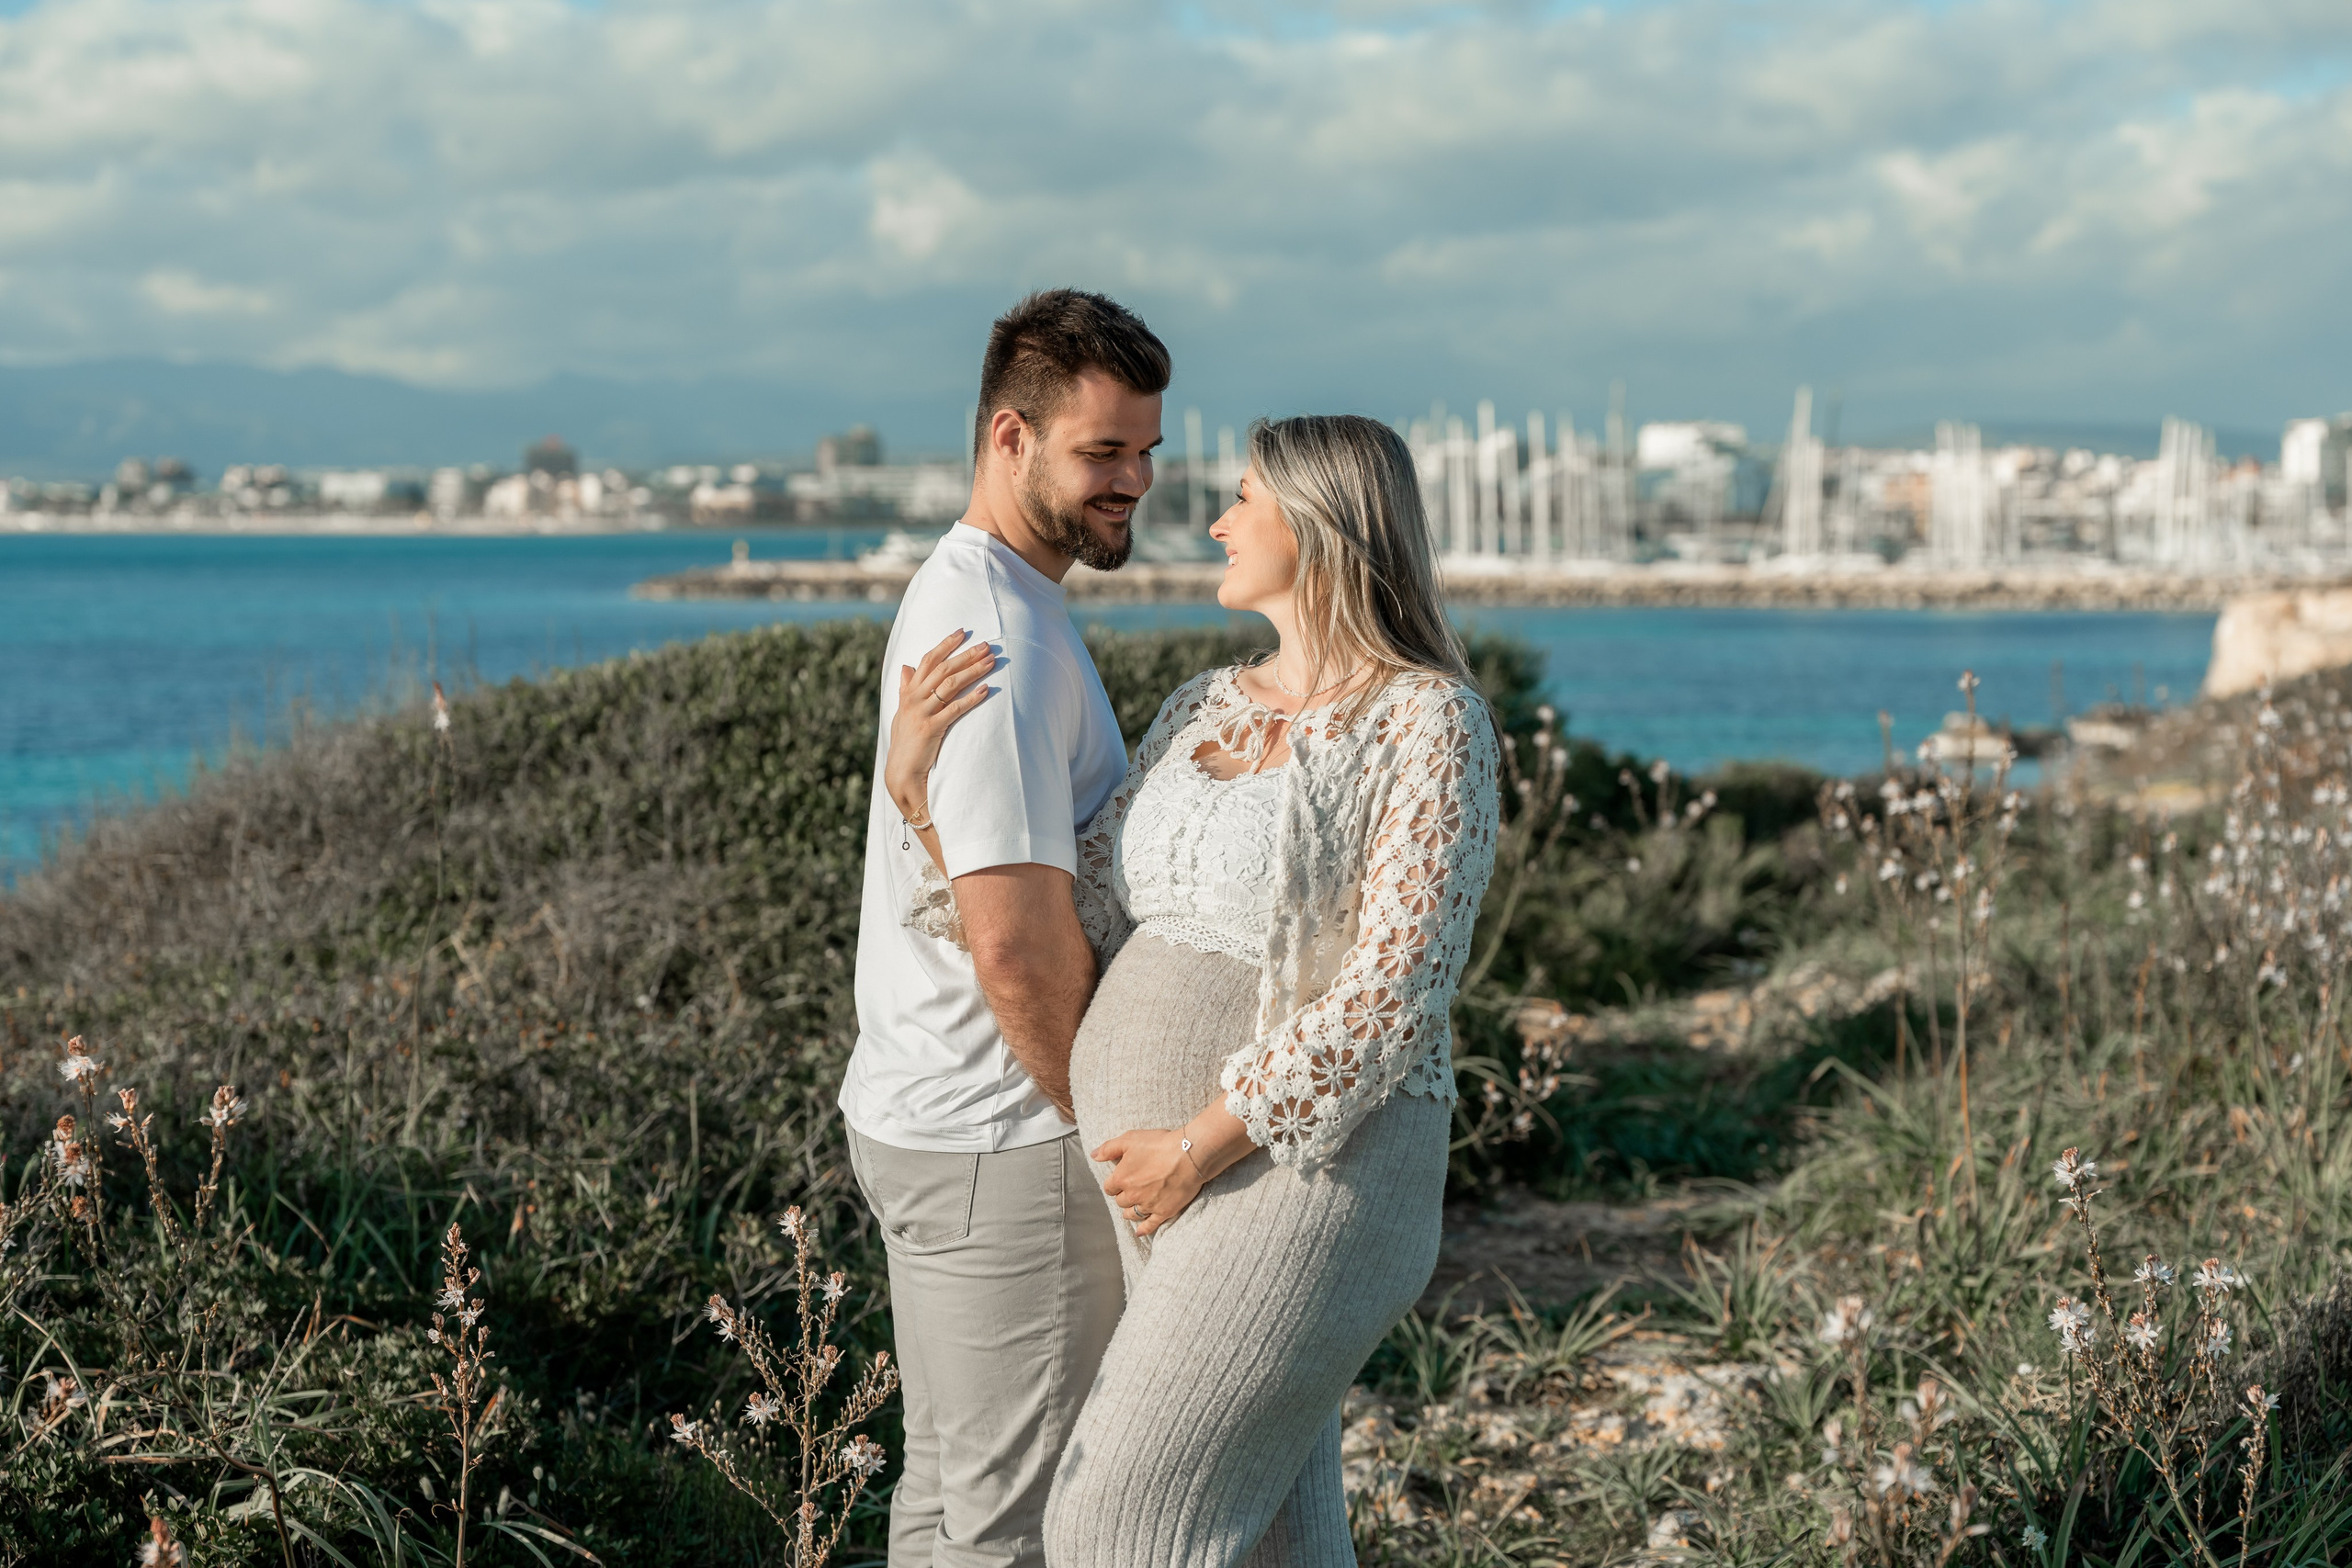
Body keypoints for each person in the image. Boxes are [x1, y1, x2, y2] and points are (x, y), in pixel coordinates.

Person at [884, 412, 1501, 1566]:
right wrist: (924, 802)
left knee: (1112, 1523)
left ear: (1320, 523)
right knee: (1275, 1535)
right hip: (1165, 1179)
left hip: (1308, 1172)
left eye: (1243, 498)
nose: (1215, 522)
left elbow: (1395, 991)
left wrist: (1197, 1145)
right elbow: (1079, 913)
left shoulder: (1426, 720)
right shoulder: (1203, 705)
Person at [842, 288, 1169, 1568]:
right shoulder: (996, 638)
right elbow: (1014, 945)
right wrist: (1113, 1139)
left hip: (942, 1116)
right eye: (1104, 451)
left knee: (946, 1507)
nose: (1134, 480)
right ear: (1009, 437)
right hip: (1005, 1140)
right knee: (1015, 1533)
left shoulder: (996, 597)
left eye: (1146, 449)